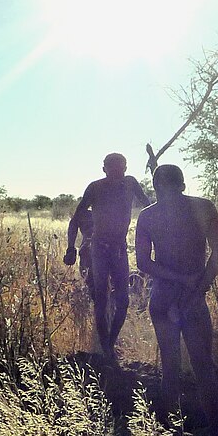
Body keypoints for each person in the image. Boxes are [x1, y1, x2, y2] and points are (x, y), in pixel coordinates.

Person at [135, 164, 218, 407]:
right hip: (192, 296)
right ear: (182, 184)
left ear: (155, 187)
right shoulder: (203, 207)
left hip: (163, 295)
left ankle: (168, 431)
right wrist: (197, 287)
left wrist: (178, 280)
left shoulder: (148, 215)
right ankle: (214, 429)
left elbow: (143, 262)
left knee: (170, 364)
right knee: (203, 364)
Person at [64, 153, 150, 358]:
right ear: (104, 169)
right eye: (113, 170)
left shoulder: (130, 184)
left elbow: (150, 208)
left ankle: (109, 343)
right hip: (99, 248)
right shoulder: (95, 187)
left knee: (123, 301)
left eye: (121, 169)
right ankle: (106, 348)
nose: (117, 174)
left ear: (126, 169)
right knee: (101, 299)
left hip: (120, 247)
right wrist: (70, 248)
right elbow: (75, 220)